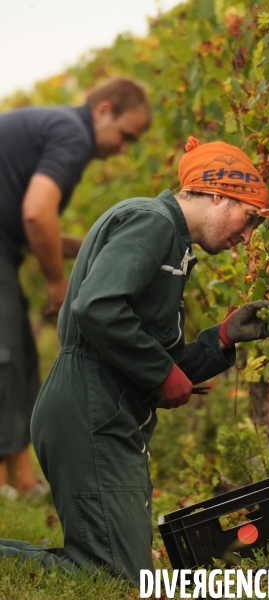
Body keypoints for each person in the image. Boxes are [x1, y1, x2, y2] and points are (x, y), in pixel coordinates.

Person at [0, 136, 269, 584]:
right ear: (221, 195)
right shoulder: (153, 222)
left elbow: (144, 353)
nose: (246, 237)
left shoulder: (171, 243)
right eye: (249, 219)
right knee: (112, 575)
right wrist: (162, 372)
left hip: (106, 411)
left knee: (119, 568)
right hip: (89, 412)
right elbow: (98, 308)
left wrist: (221, 339)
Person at [0, 77, 151, 499]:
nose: (123, 149)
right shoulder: (72, 133)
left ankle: (23, 480)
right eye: (125, 137)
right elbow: (36, 214)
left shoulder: (58, 128)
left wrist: (92, 246)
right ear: (103, 110)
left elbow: (35, 229)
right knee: (4, 358)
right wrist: (56, 284)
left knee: (19, 355)